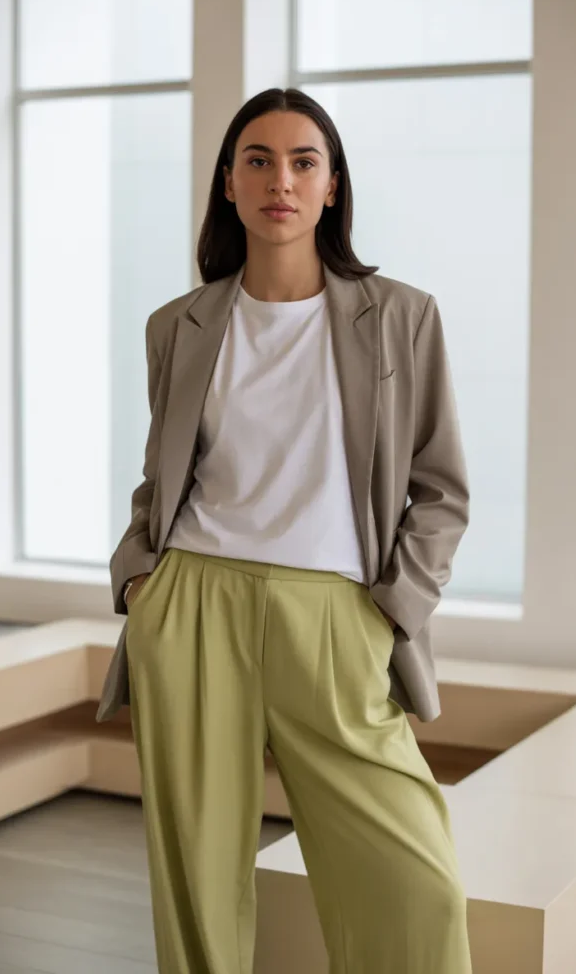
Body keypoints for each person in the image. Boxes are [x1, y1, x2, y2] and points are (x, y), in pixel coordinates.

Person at [96, 86, 472, 973]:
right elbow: (163, 478)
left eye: (304, 161)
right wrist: (139, 586)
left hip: (337, 616)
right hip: (191, 605)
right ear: (228, 183)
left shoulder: (400, 317)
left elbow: (441, 487)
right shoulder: (178, 327)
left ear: (333, 185)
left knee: (414, 880)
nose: (281, 180)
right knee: (196, 877)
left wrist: (393, 610)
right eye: (257, 160)